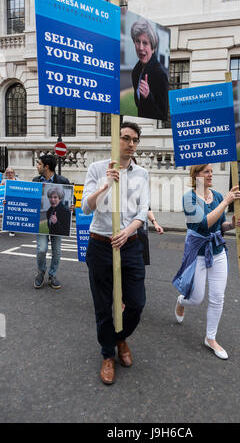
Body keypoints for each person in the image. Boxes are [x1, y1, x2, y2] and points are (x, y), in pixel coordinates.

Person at [82, 121, 149, 385]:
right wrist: (106, 185)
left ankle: (120, 338)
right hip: (100, 245)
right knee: (103, 306)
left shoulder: (142, 173)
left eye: (135, 140)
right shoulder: (97, 168)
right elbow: (87, 208)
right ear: (115, 139)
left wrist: (129, 230)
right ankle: (108, 354)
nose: (131, 144)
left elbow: (143, 211)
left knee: (136, 303)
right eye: (126, 138)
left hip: (130, 244)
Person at [173, 164, 240, 360]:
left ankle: (210, 338)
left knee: (217, 297)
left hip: (218, 251)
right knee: (196, 298)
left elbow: (219, 225)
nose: (211, 175)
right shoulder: (189, 198)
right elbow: (203, 224)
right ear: (196, 175)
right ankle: (181, 301)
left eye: (212, 171)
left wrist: (232, 224)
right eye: (206, 172)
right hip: (198, 253)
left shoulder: (219, 196)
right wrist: (227, 201)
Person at [33, 154, 70, 290]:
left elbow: (73, 200)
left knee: (57, 251)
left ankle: (52, 274)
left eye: (39, 164)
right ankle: (41, 272)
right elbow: (29, 201)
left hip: (59, 224)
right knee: (41, 249)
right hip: (41, 221)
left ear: (46, 167)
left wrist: (72, 206)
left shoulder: (63, 181)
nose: (37, 166)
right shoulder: (36, 181)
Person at [131, 19, 169, 121]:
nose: (140, 47)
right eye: (137, 41)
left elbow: (162, 115)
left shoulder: (160, 74)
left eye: (145, 43)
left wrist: (148, 96)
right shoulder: (136, 71)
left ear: (153, 48)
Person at [1, 167, 17, 236]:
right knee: (8, 214)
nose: (10, 174)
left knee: (14, 214)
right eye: (8, 172)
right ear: (6, 174)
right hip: (6, 200)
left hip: (15, 200)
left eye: (11, 172)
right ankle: (9, 227)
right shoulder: (4, 181)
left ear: (14, 173)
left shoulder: (18, 181)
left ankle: (12, 229)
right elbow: (1, 191)